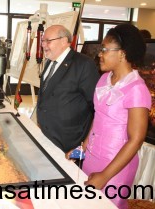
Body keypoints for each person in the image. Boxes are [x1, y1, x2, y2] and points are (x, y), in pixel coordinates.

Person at [79, 24, 151, 209]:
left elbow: (136, 139)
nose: (99, 54)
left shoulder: (137, 89)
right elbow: (99, 116)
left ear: (122, 53)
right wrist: (85, 145)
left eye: (104, 49)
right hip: (92, 156)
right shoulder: (104, 79)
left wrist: (105, 175)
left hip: (116, 165)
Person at [37, 25, 99, 153]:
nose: (43, 45)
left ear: (64, 41)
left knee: (72, 173)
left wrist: (82, 147)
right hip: (47, 138)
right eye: (42, 41)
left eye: (48, 41)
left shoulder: (84, 65)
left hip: (70, 144)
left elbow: (96, 108)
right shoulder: (50, 61)